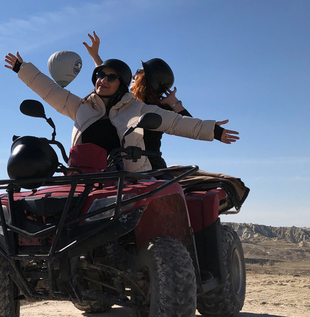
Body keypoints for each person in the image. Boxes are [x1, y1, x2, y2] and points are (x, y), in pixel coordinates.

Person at [81, 32, 249, 208]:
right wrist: (96, 57)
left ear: (146, 80)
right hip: (118, 165)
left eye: (138, 72)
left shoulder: (155, 109)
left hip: (148, 167)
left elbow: (184, 124)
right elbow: (110, 81)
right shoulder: (124, 104)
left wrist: (175, 104)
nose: (132, 76)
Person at [3, 51, 239, 174]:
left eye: (110, 77)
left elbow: (175, 123)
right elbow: (50, 91)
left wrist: (214, 131)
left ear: (122, 83)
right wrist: (21, 69)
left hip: (129, 180)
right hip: (84, 178)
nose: (102, 80)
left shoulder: (138, 109)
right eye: (99, 75)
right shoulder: (80, 106)